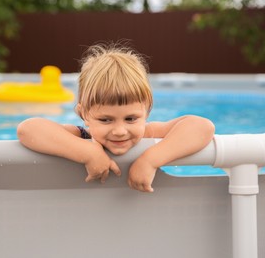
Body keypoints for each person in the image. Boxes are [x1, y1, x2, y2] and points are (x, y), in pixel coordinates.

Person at [17, 43, 215, 193]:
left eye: (131, 119)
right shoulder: (81, 137)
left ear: (146, 112)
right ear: (84, 114)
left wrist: (151, 160)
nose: (120, 131)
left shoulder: (148, 133)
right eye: (105, 120)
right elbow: (28, 129)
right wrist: (87, 152)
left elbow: (202, 127)